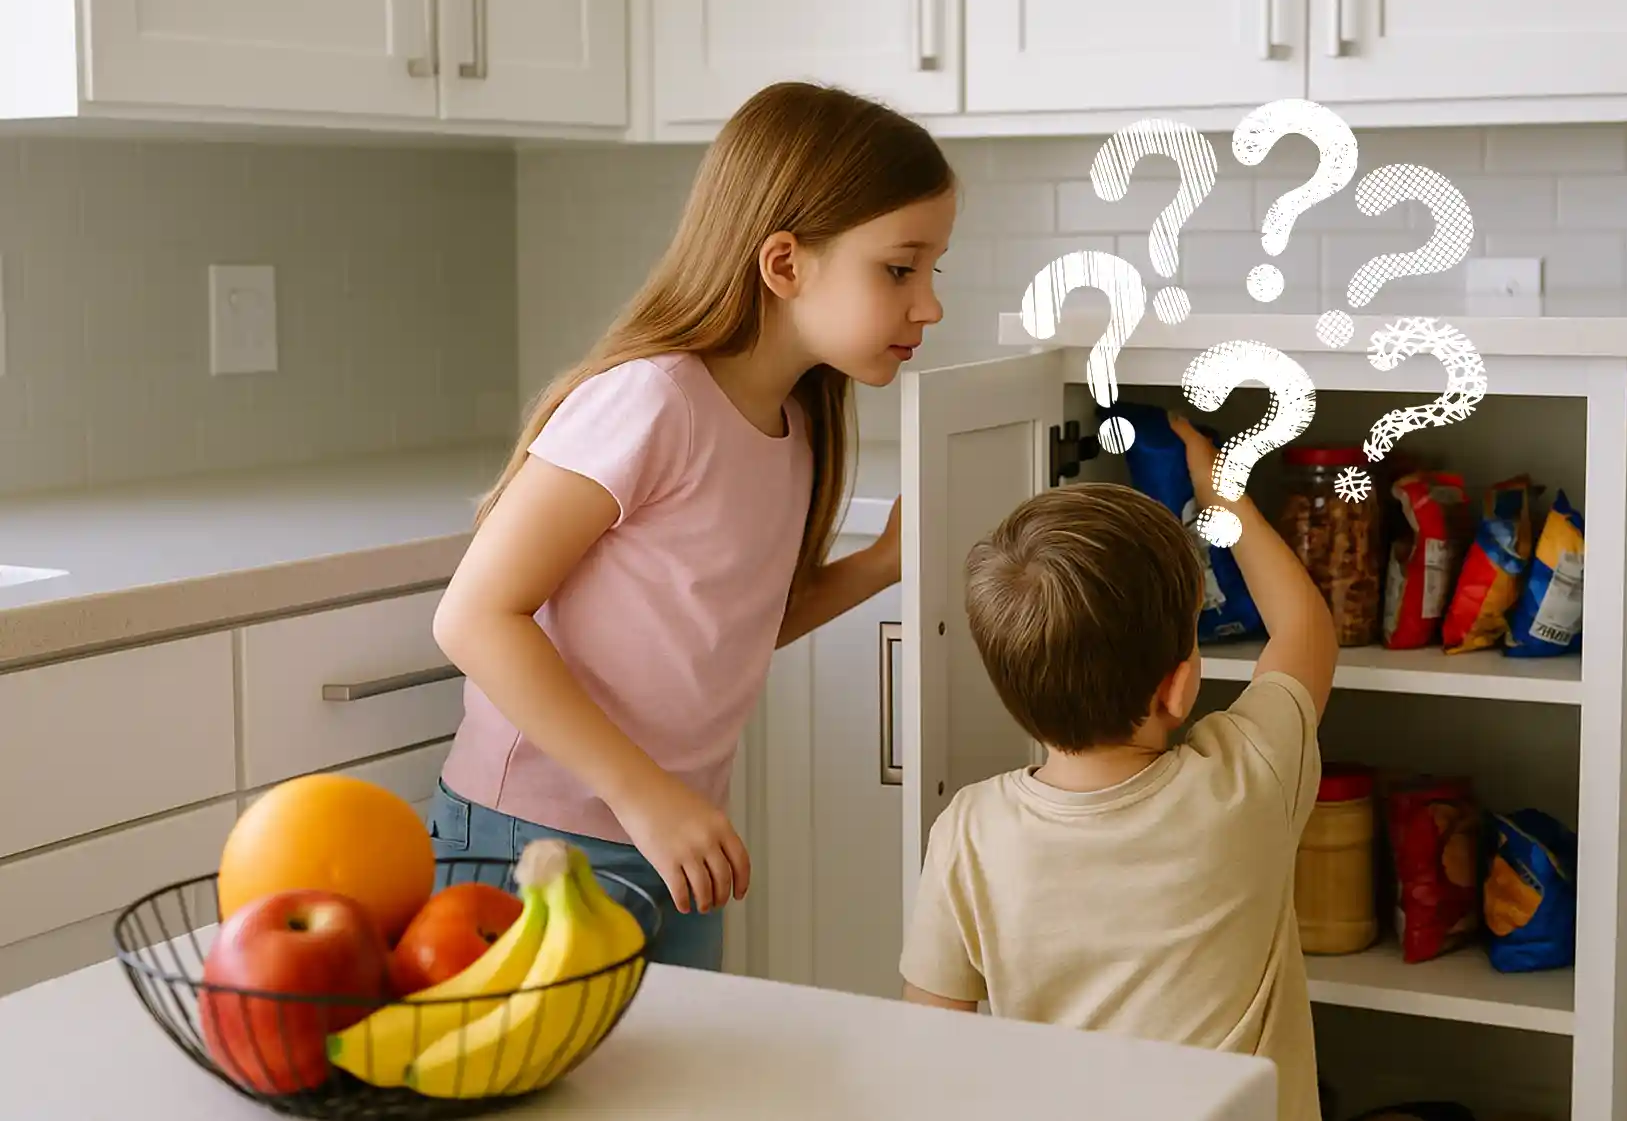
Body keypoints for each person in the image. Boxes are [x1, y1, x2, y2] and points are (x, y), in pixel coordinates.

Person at [428, 81, 957, 973]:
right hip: (540, 838)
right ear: (784, 265)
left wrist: (880, 564)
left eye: (935, 269)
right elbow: (473, 618)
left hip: (668, 842)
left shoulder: (792, 424)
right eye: (900, 268)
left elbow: (732, 627)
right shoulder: (651, 400)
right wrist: (648, 798)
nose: (929, 303)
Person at [898, 415, 1339, 1121]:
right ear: (1177, 686)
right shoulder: (1248, 775)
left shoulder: (969, 831)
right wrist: (1219, 490)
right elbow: (1304, 629)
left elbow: (930, 1044)